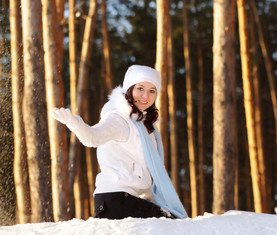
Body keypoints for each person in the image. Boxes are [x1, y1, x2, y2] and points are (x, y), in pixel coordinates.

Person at [52, 65, 188, 220]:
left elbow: (147, 170)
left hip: (130, 198)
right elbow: (92, 138)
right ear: (129, 89)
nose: (145, 96)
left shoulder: (145, 126)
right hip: (114, 200)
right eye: (140, 88)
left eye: (152, 91)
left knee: (172, 220)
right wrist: (74, 123)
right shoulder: (119, 119)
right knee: (172, 223)